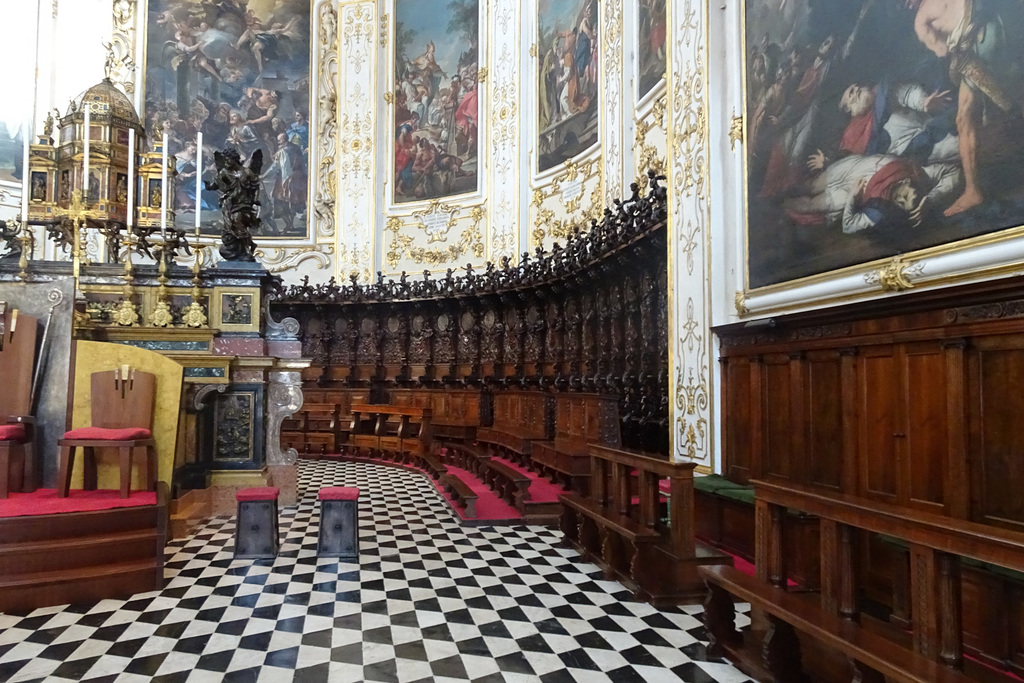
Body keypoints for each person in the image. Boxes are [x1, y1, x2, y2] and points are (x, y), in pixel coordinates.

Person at [905, 0, 1024, 215]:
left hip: (976, 53)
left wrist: (949, 41)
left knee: (964, 118)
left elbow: (941, 50)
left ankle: (973, 191)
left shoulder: (921, 19)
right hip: (998, 28)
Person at [784, 153, 961, 233]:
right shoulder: (918, 173)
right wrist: (930, 199)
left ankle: (780, 206)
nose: (898, 199)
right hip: (848, 169)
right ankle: (779, 192)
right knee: (811, 185)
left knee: (811, 206)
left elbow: (848, 226)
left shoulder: (879, 209)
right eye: (905, 196)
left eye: (902, 204)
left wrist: (853, 197)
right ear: (907, 182)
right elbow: (954, 172)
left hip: (848, 195)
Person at [835, 80, 958, 163]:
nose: (857, 89)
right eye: (851, 92)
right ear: (848, 109)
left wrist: (923, 102)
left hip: (935, 130)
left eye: (856, 87)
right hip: (918, 154)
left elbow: (904, 93)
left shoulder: (882, 93)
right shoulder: (852, 138)